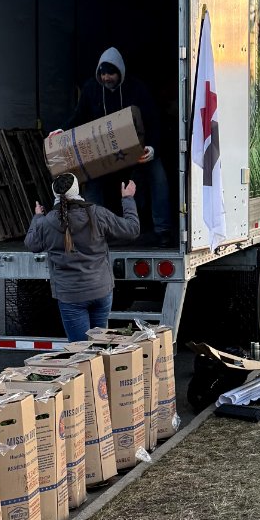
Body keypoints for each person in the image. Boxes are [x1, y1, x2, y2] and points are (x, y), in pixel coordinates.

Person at [70, 48, 173, 240]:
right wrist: (61, 131)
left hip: (138, 149)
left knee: (158, 176)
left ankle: (163, 230)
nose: (106, 78)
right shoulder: (92, 89)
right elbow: (79, 117)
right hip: (105, 151)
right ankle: (96, 233)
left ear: (120, 72)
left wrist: (152, 147)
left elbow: (152, 119)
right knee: (91, 181)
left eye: (111, 73)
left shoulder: (136, 89)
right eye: (103, 73)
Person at [24, 173, 140, 339]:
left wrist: (37, 217)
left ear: (54, 194)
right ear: (77, 189)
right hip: (101, 290)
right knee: (100, 346)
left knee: (81, 353)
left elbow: (31, 244)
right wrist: (128, 199)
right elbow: (132, 230)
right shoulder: (97, 213)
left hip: (70, 295)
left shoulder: (46, 223)